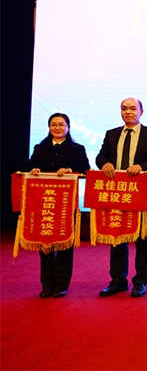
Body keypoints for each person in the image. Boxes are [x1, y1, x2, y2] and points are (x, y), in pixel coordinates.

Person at [96, 98, 147, 297]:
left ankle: (141, 281)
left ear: (141, 111)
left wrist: (142, 167)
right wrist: (104, 164)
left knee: (143, 238)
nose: (128, 112)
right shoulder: (111, 134)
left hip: (142, 192)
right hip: (117, 193)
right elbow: (101, 157)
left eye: (133, 108)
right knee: (117, 237)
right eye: (124, 108)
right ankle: (118, 280)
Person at [26, 113, 91, 298]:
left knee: (64, 244)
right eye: (53, 125)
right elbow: (28, 167)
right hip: (43, 203)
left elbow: (86, 170)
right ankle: (47, 284)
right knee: (45, 243)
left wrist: (70, 170)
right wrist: (34, 170)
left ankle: (61, 284)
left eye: (61, 125)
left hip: (65, 204)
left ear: (68, 128)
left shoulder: (77, 149)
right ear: (49, 128)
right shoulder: (40, 148)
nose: (57, 128)